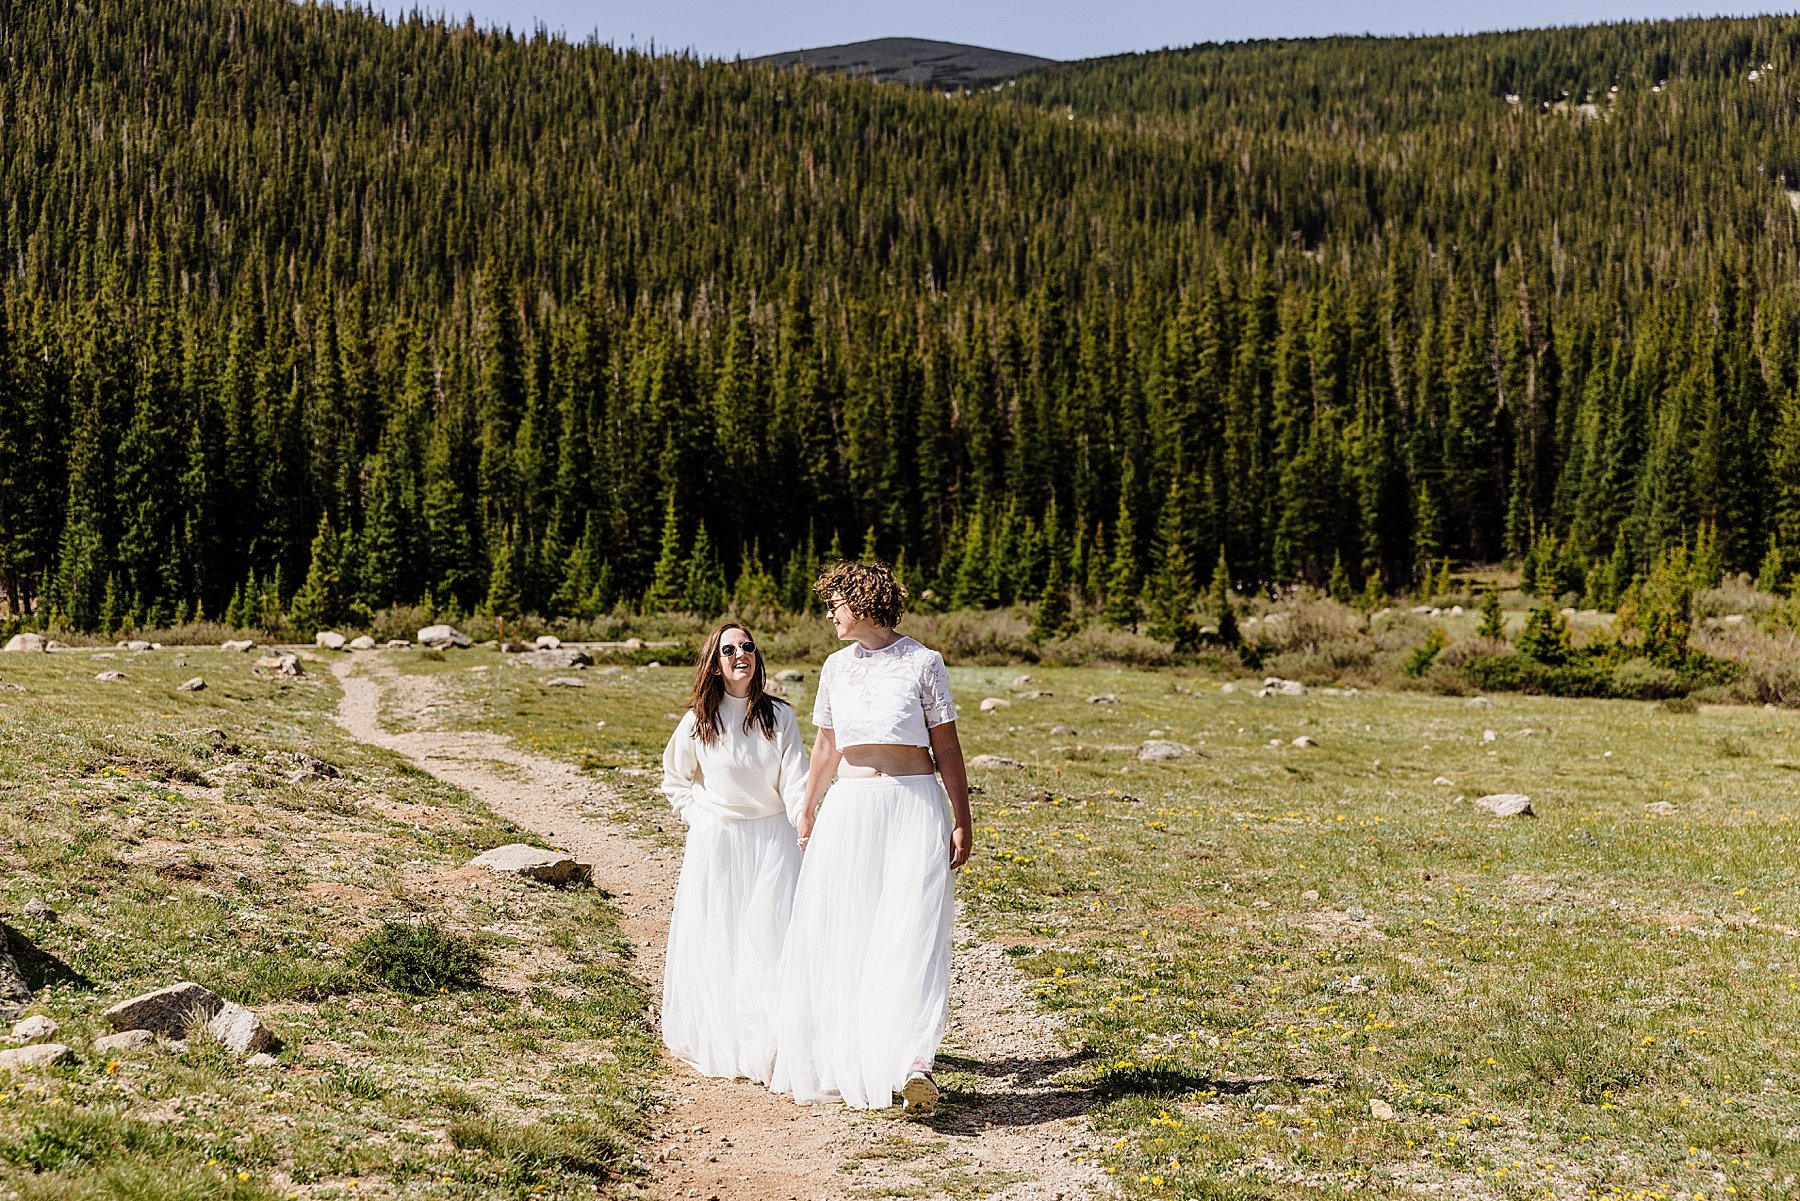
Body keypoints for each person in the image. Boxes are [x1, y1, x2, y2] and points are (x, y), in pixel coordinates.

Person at [770, 559, 974, 1114]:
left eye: (835, 602)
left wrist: (962, 816)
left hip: (913, 804)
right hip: (851, 809)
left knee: (911, 928)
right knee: (848, 925)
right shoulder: (836, 667)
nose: (830, 613)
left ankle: (915, 1063)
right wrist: (808, 806)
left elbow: (947, 748)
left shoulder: (923, 663)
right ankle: (850, 1055)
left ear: (862, 602)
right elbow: (825, 747)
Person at [659, 619, 809, 1084]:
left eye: (748, 646)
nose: (740, 654)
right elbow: (674, 780)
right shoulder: (698, 721)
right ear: (715, 663)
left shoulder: (779, 717)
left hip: (772, 842)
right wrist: (700, 819)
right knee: (722, 936)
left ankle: (769, 1039)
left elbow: (798, 783)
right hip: (718, 842)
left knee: (769, 941)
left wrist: (805, 824)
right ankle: (725, 1033)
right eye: (729, 650)